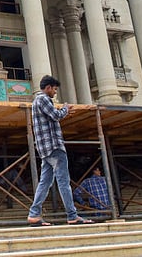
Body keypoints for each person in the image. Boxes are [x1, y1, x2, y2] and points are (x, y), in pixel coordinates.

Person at [27, 75, 93, 226]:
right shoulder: (43, 99)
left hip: (45, 149)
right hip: (54, 147)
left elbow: (52, 116)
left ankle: (34, 214)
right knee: (63, 182)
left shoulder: (37, 101)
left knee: (45, 182)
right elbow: (55, 115)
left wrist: (63, 112)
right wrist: (65, 109)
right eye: (55, 89)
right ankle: (72, 215)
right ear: (49, 87)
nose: (55, 92)